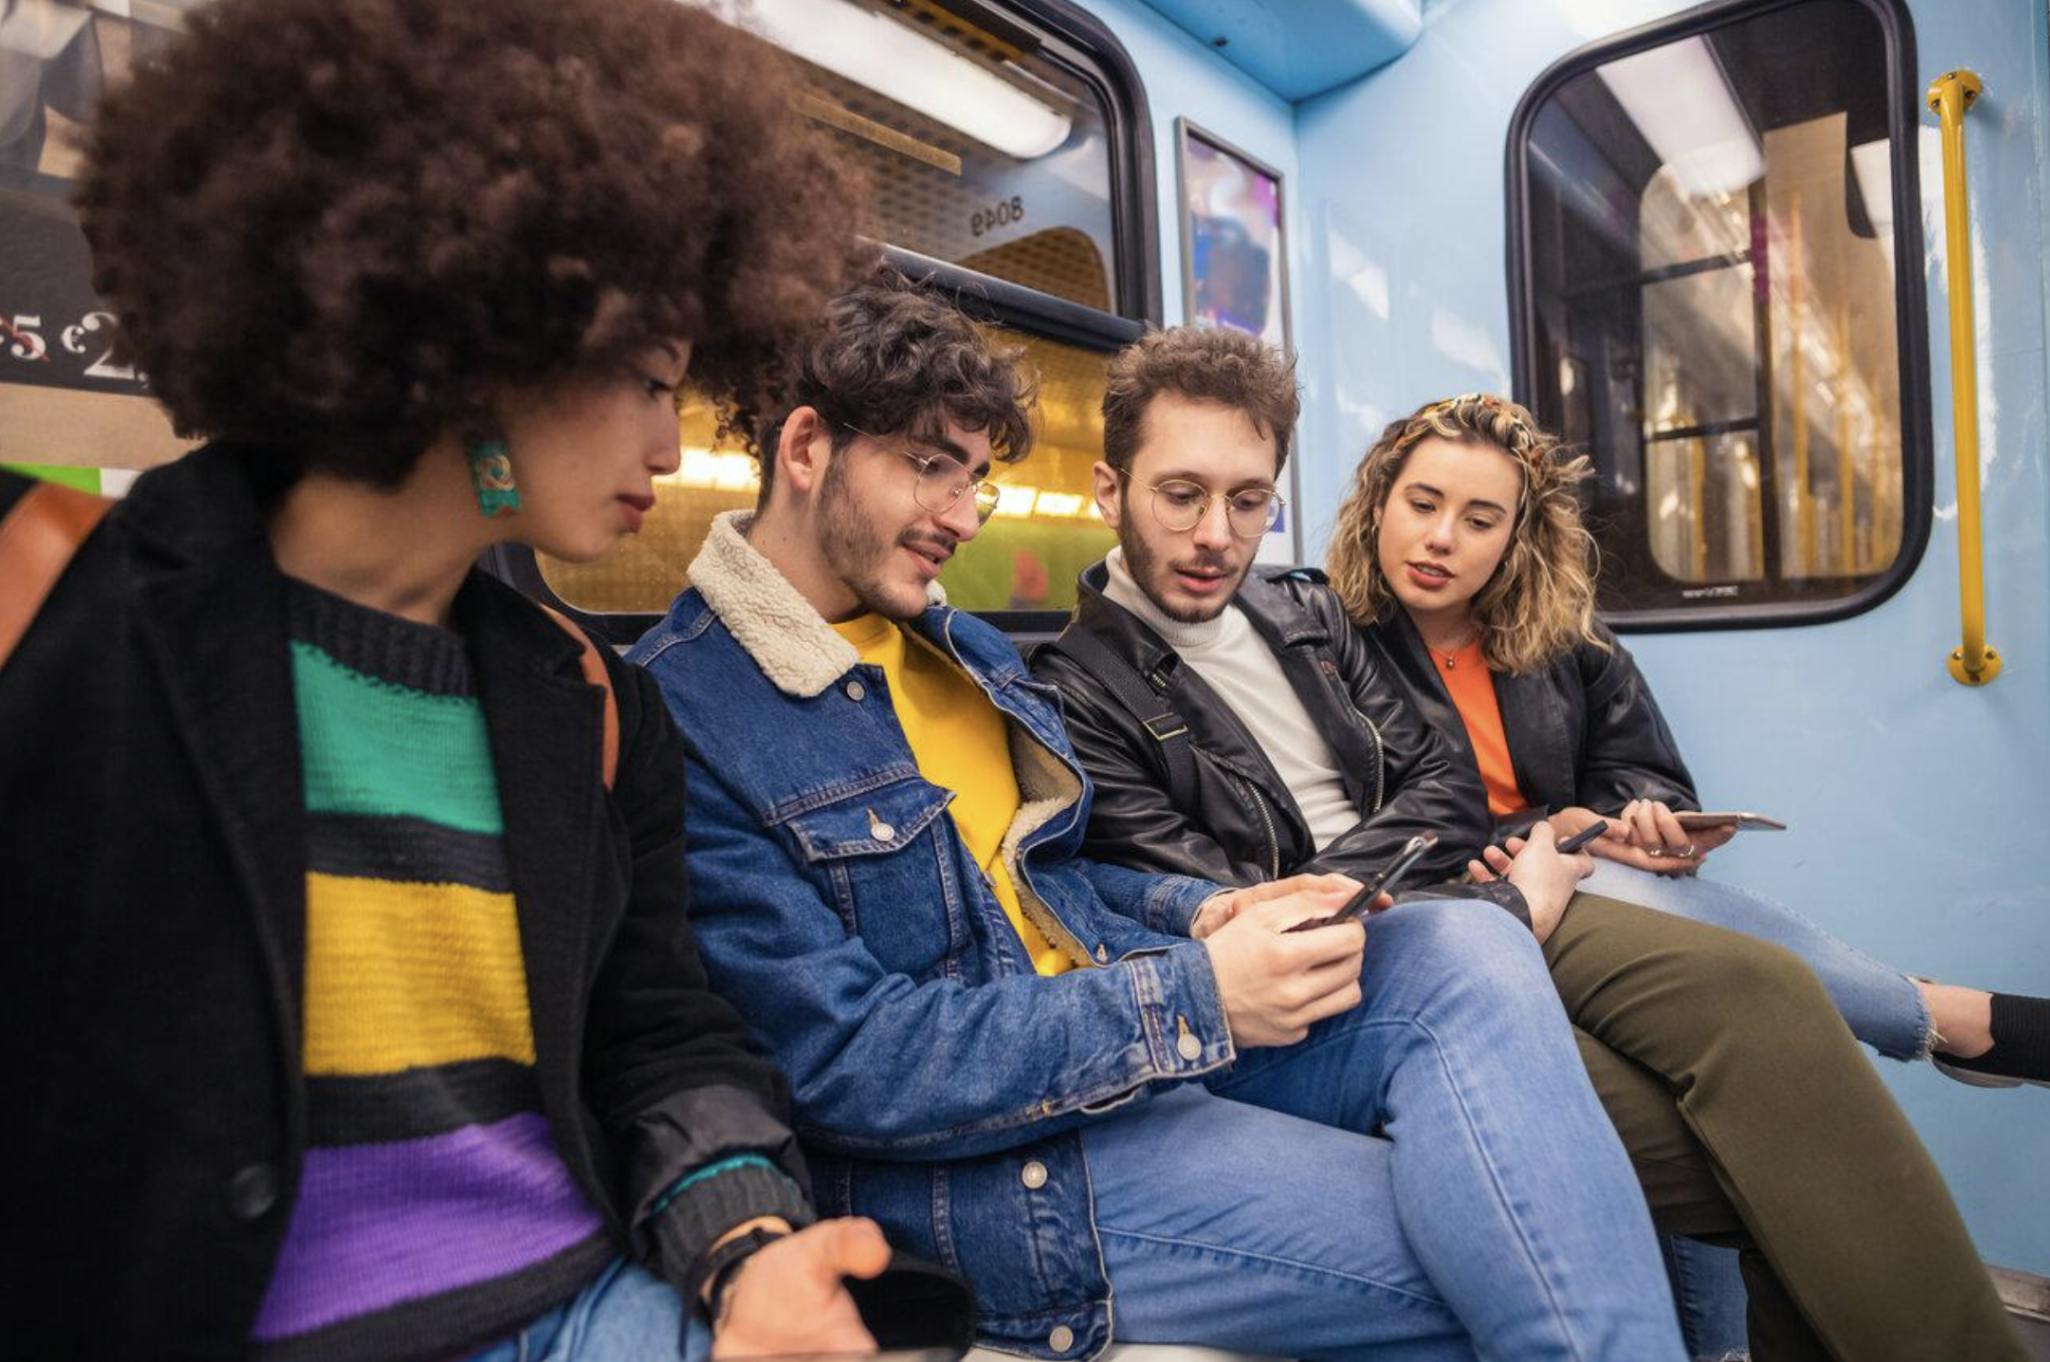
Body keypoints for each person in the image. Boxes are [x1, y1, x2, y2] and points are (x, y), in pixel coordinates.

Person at [0, 2, 901, 1358]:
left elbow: (655, 1035)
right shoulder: (66, 615)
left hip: (586, 1304)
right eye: (649, 377)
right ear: (495, 328)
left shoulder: (597, 702)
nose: (670, 438)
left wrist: (743, 1247)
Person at [633, 271, 1720, 1362]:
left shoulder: (959, 649)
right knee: (1510, 1242)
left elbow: (1042, 889)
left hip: (1121, 1027)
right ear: (808, 449)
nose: (960, 518)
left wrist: (1208, 915)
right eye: (929, 470)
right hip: (999, 1159)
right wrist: (1192, 995)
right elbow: (847, 1059)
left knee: (1466, 940)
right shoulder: (684, 710)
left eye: (974, 482)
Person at [1031, 325, 2026, 1362]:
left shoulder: (1302, 609)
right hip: (1376, 964)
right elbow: (1239, 902)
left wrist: (1478, 873)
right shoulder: (1077, 688)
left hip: (1460, 902)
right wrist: (1491, 900)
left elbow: (1445, 783)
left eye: (1247, 501)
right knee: (1746, 1133)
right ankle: (1945, 1038)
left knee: (1767, 1005)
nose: (1214, 535)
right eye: (1179, 494)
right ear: (1108, 490)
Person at [1322, 392, 2050, 1092]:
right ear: (1380, 501)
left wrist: (1636, 825)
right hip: (1452, 907)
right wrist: (1554, 832)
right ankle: (1951, 1019)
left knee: (1746, 993)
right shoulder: (1318, 638)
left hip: (1579, 884)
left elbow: (1645, 776)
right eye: (1422, 505)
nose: (1442, 538)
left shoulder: (1566, 641)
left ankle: (1926, 1014)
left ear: (1516, 539)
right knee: (1716, 958)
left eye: (1480, 521)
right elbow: (1353, 828)